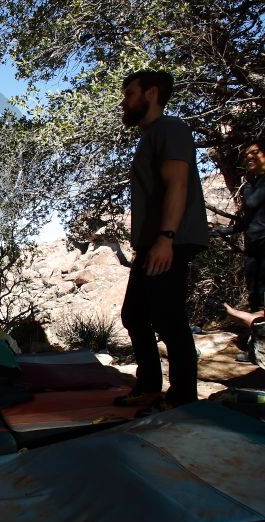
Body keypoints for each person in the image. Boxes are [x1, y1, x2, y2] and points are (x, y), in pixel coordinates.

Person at [114, 70, 209, 414]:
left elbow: (178, 183)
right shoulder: (151, 135)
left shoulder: (171, 128)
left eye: (129, 94)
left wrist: (166, 238)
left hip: (171, 240)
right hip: (153, 242)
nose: (124, 102)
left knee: (168, 319)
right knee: (135, 315)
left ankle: (183, 400)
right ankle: (150, 388)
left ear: (151, 93)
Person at [213, 141, 265, 309]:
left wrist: (247, 183)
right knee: (254, 291)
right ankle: (258, 331)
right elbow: (249, 220)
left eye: (255, 152)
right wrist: (224, 231)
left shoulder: (256, 184)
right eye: (246, 155)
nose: (249, 157)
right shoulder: (255, 183)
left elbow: (251, 202)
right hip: (253, 247)